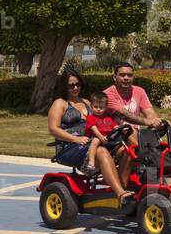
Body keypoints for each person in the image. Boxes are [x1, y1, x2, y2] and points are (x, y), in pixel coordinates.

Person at [47, 72, 133, 205]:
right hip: (69, 147)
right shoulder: (60, 103)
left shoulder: (87, 102)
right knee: (101, 151)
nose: (75, 88)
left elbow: (101, 119)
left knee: (126, 150)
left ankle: (121, 188)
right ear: (65, 86)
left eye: (78, 84)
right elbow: (53, 129)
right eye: (71, 85)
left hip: (92, 142)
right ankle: (120, 193)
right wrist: (75, 139)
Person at [85, 90, 138, 171]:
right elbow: (94, 129)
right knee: (95, 141)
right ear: (91, 106)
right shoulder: (90, 118)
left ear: (106, 108)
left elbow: (115, 126)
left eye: (101, 107)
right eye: (96, 107)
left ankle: (138, 148)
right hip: (96, 137)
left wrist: (122, 130)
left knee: (127, 135)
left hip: (109, 137)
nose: (98, 109)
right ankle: (91, 161)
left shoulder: (108, 117)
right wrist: (101, 137)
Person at [104, 63, 166, 128]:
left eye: (129, 75)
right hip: (114, 134)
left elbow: (149, 113)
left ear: (133, 77)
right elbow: (124, 114)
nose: (126, 78)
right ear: (114, 77)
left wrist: (157, 122)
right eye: (122, 75)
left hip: (135, 132)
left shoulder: (139, 91)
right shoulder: (107, 94)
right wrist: (149, 122)